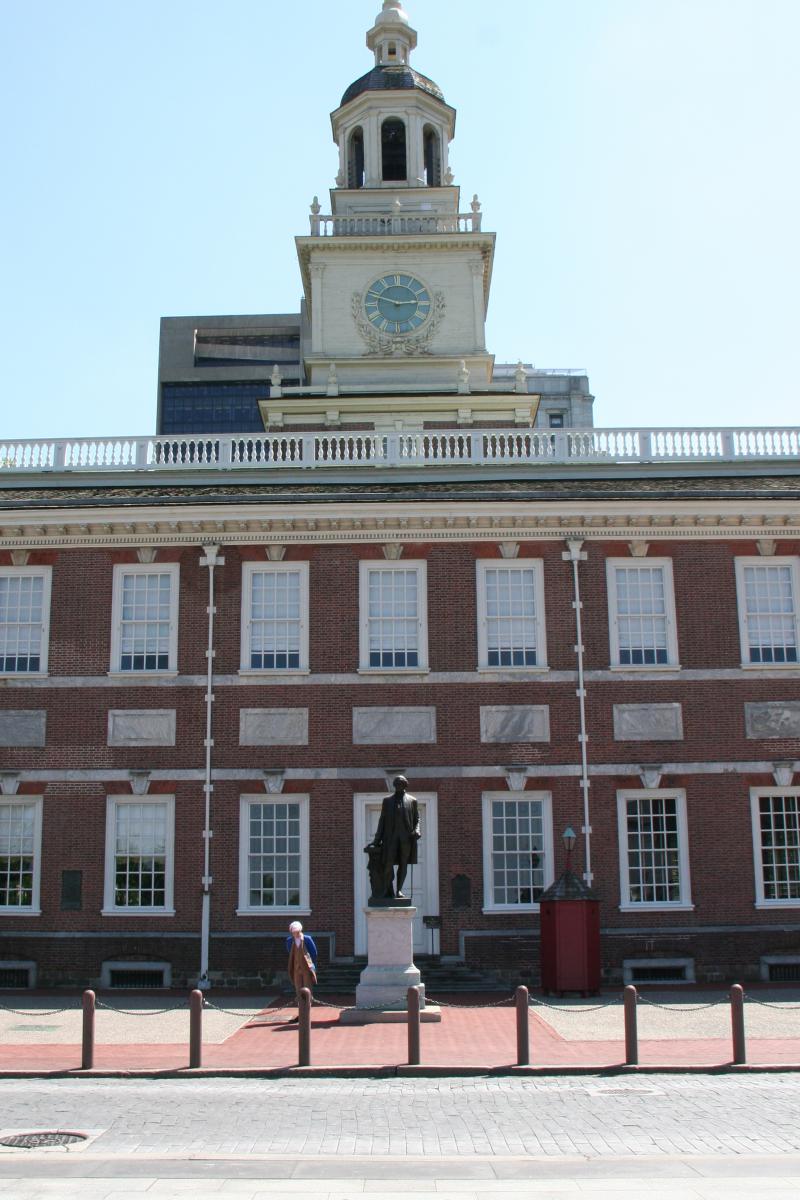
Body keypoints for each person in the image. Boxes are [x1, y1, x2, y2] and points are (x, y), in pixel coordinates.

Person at [369, 775, 420, 899]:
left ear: (405, 785)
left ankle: (399, 890)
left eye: (401, 784)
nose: (398, 786)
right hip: (390, 838)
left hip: (406, 838)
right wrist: (376, 840)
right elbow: (382, 820)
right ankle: (387, 890)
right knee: (388, 864)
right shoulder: (387, 801)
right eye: (396, 784)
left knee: (403, 864)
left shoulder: (412, 800)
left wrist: (417, 830)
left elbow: (417, 819)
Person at [285, 921, 317, 1004]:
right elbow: (290, 952)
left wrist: (311, 964)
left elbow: (314, 952)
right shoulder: (289, 940)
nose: (295, 934)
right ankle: (300, 1003)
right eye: (293, 932)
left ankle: (308, 1003)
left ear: (300, 930)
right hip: (296, 967)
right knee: (298, 985)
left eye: (297, 932)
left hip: (306, 966)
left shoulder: (307, 939)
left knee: (308, 985)